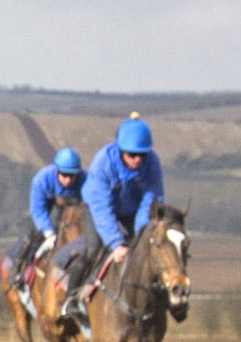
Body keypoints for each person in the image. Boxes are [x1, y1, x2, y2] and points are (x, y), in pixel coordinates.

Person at [56, 115, 165, 312]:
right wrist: (115, 244)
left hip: (132, 210)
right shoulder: (104, 162)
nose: (138, 159)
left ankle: (165, 299)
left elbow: (151, 200)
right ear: (121, 150)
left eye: (142, 154)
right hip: (98, 208)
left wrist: (140, 232)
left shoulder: (152, 164)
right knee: (93, 249)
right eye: (132, 154)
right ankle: (70, 298)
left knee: (148, 249)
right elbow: (102, 207)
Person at [10, 146, 84, 278]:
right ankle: (17, 266)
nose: (68, 180)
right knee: (35, 232)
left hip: (74, 209)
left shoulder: (86, 180)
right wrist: (48, 233)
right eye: (64, 175)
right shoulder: (42, 179)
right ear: (57, 170)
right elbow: (37, 209)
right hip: (48, 207)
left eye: (72, 176)